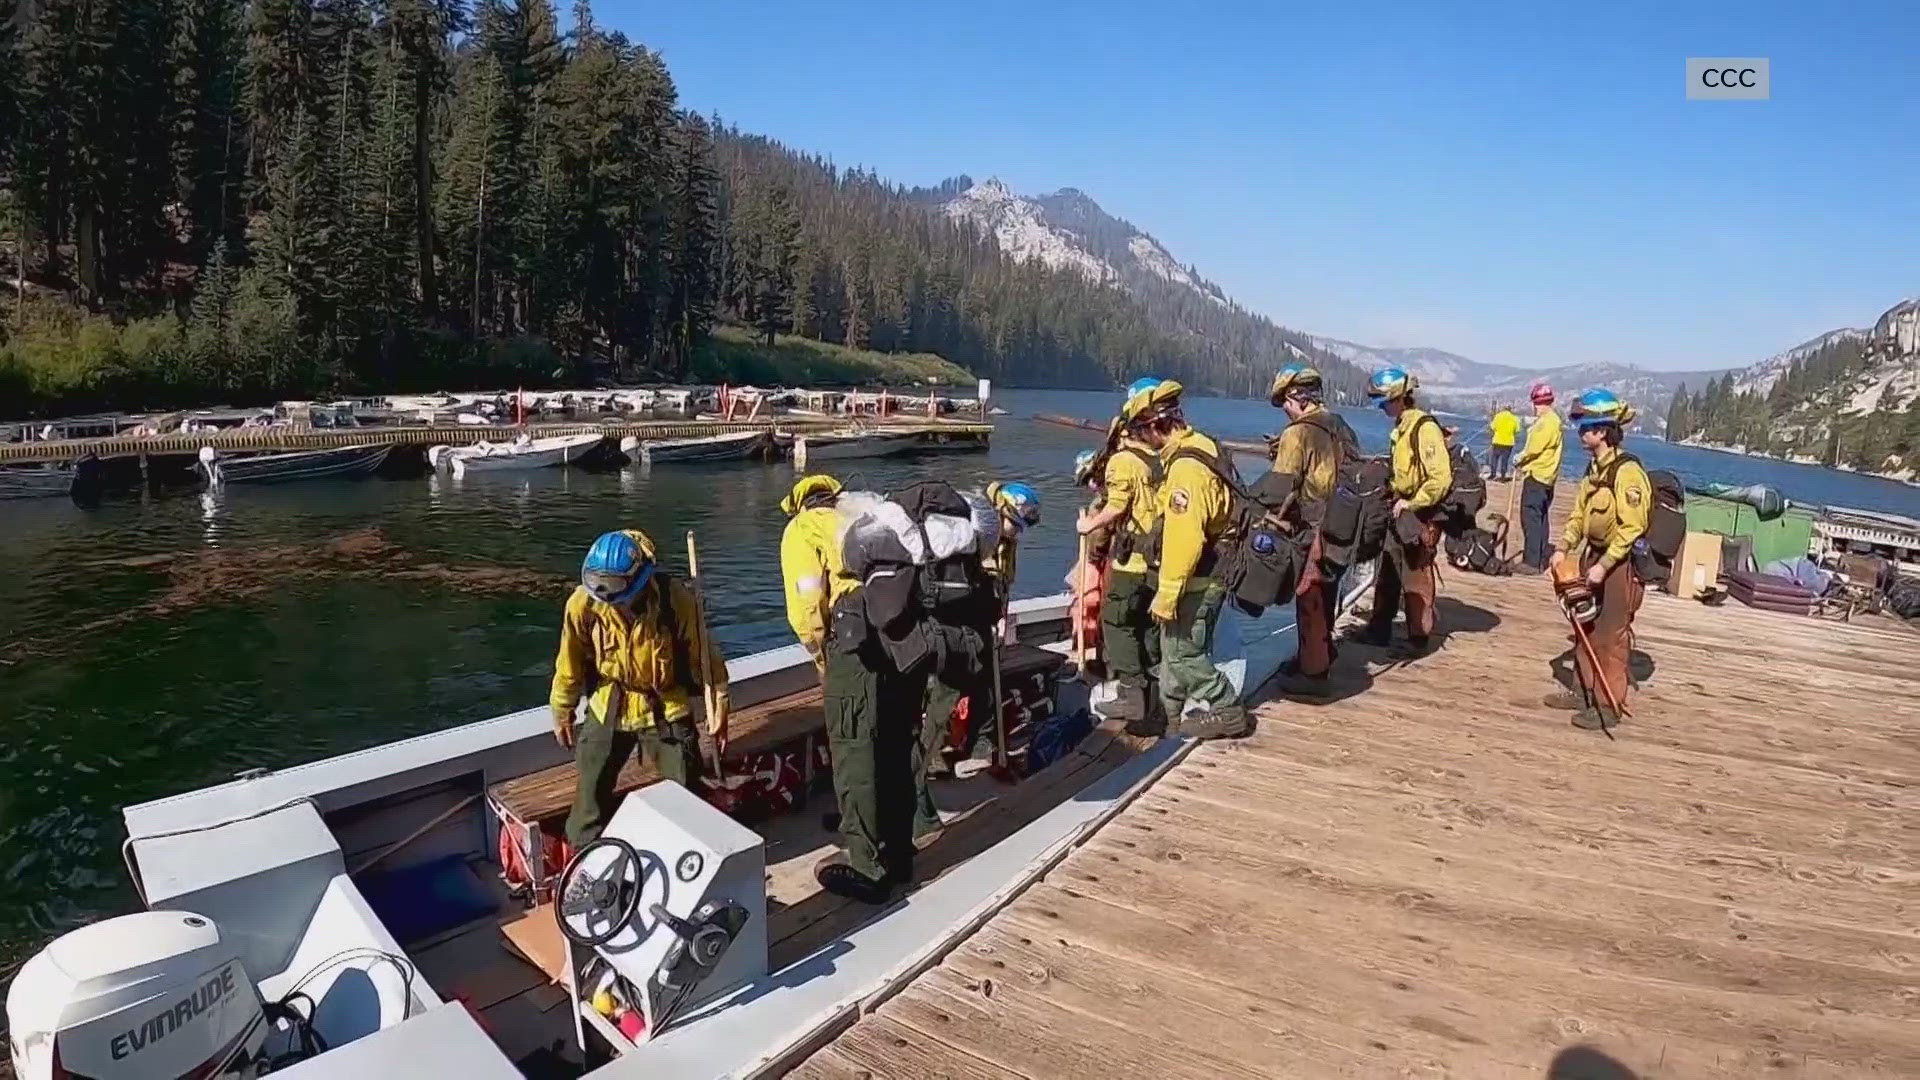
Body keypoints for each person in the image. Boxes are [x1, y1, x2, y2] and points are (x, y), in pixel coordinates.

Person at [551, 530, 730, 847]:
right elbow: (570, 660)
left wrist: (719, 703)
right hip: (611, 701)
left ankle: (688, 851)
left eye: (615, 586)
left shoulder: (675, 599)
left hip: (665, 702)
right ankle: (585, 857)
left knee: (685, 782)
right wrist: (562, 707)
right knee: (590, 788)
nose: (606, 595)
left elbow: (704, 656)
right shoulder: (583, 604)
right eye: (598, 584)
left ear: (639, 579)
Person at [911, 480, 1038, 836]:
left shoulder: (1005, 540)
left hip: (980, 626)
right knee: (941, 697)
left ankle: (980, 743)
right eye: (1015, 526)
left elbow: (1001, 583)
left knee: (983, 685)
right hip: (951, 629)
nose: (1016, 535)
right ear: (1002, 514)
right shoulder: (969, 534)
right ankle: (930, 758)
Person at [1128, 378, 1249, 739]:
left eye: (1139, 430)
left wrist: (1167, 595)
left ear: (1154, 426)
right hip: (1212, 571)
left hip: (1198, 577)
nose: (1138, 439)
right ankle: (1170, 717)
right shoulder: (1204, 446)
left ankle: (1227, 708)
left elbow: (1185, 538)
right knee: (1172, 649)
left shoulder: (1185, 468)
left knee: (1182, 653)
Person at [1548, 389, 1648, 731]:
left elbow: (1633, 526)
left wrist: (1605, 565)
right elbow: (1579, 515)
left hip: (1620, 565)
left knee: (1611, 634)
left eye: (1586, 428)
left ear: (1602, 431)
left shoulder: (1628, 472)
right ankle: (1583, 692)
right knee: (1584, 628)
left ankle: (1608, 706)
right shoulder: (1594, 470)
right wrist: (1563, 547)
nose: (1580, 434)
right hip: (1593, 555)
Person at [1265, 364, 1358, 695]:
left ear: (1295, 397)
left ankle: (1314, 675)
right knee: (1328, 591)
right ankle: (1319, 652)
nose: (1286, 413)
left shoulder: (1298, 433)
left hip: (1312, 523)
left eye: (1285, 405)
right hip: (1343, 521)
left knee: (1308, 595)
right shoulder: (1338, 424)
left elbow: (1280, 487)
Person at [1076, 399, 1165, 733]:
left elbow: (1116, 506)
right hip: (1159, 559)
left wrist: (1089, 525)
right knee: (1147, 626)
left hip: (1132, 560)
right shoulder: (1158, 459)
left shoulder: (1123, 461)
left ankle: (1131, 692)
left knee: (1117, 621)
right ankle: (1154, 701)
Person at [1357, 367, 1451, 656]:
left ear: (1399, 397)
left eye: (1385, 402)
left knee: (1416, 574)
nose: (1382, 407)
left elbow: (1440, 478)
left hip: (1419, 513)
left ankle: (1418, 639)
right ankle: (1379, 628)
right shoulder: (1402, 427)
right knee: (1388, 567)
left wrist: (1411, 503)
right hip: (1400, 507)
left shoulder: (1424, 428)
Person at [778, 473, 851, 669]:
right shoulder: (854, 517)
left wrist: (820, 654)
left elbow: (808, 601)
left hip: (848, 629)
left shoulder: (800, 528)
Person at [1510, 382, 1564, 572]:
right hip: (1548, 478)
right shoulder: (1554, 421)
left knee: (1531, 518)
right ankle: (1539, 557)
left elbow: (1534, 448)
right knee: (1541, 518)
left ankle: (1531, 561)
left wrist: (1519, 458)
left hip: (1537, 476)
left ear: (1537, 402)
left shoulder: (1547, 422)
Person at [1488, 404, 1521, 481]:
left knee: (1494, 458)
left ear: (1503, 409)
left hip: (1497, 441)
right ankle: (1503, 476)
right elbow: (1517, 430)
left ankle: (1493, 474)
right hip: (1508, 442)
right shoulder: (1514, 418)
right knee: (1505, 460)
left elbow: (1492, 427)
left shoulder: (1498, 416)